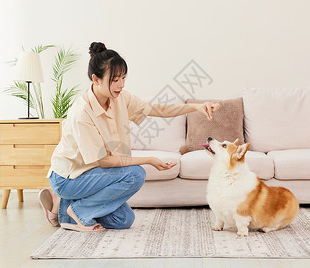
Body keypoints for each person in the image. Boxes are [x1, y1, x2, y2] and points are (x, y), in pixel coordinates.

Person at [38, 42, 220, 232]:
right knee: (136, 174)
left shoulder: (120, 98)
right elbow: (104, 161)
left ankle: (62, 209)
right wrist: (149, 160)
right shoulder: (82, 112)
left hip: (92, 174)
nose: (121, 84)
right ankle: (79, 211)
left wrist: (196, 107)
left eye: (123, 78)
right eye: (115, 79)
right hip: (69, 178)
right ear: (96, 79)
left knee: (123, 219)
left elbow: (160, 109)